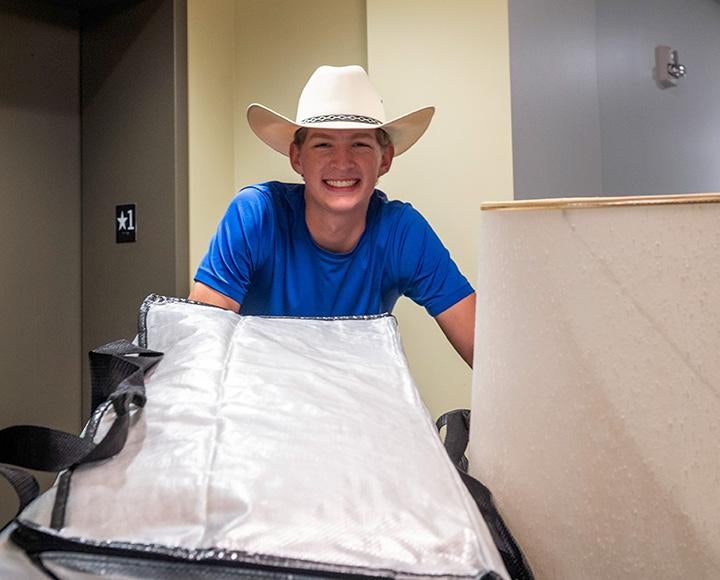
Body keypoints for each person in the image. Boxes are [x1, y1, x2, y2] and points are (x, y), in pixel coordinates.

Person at [189, 65, 476, 366]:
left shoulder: (401, 231)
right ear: (297, 158)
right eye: (323, 144)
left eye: (360, 144)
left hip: (352, 402)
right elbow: (200, 344)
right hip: (257, 401)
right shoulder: (257, 215)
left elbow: (488, 353)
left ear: (385, 159)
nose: (342, 162)